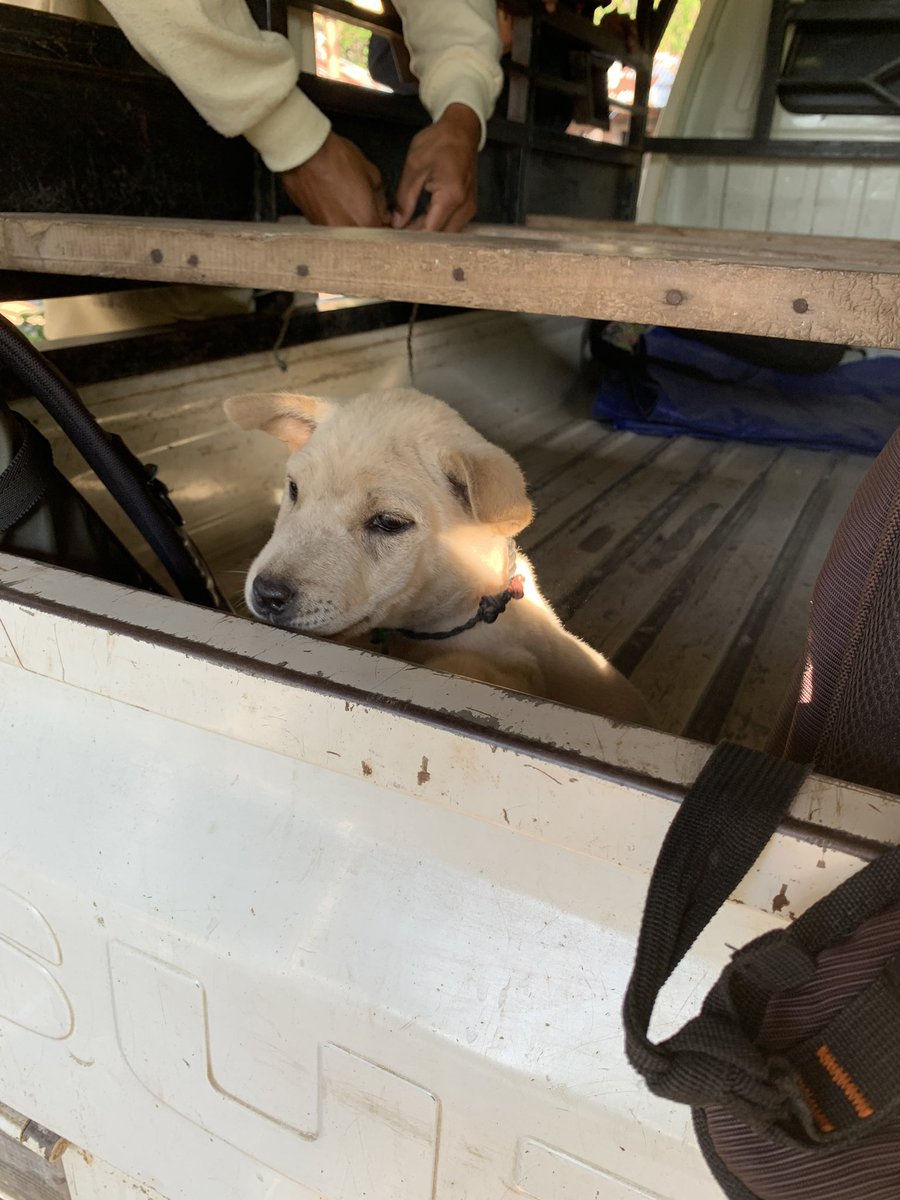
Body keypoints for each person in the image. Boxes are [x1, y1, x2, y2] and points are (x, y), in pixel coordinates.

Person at [100, 0, 504, 232]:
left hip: (269, 45)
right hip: (139, 42)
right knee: (152, 296)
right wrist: (293, 137)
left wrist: (462, 102)